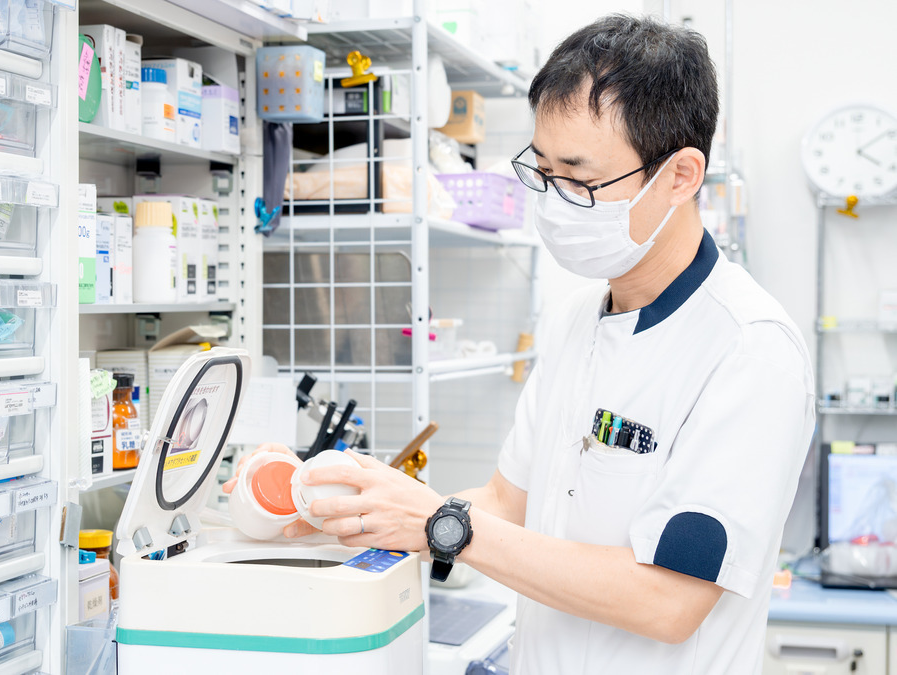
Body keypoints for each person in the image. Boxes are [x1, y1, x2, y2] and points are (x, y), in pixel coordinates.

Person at [224, 14, 814, 675]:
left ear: (679, 176)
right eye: (542, 170)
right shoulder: (576, 319)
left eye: (579, 179)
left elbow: (667, 601)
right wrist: (364, 509)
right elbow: (508, 502)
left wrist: (440, 523)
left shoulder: (750, 353)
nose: (554, 202)